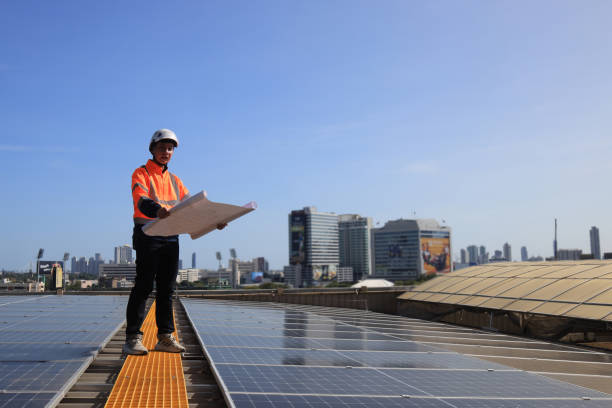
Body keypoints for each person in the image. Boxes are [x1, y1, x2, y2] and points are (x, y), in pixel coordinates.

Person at [124, 129, 225, 355]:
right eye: (162, 148)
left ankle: (165, 337)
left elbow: (193, 207)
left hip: (171, 236)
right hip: (148, 233)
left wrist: (214, 220)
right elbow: (140, 199)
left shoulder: (175, 180)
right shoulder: (141, 173)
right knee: (143, 286)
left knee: (167, 289)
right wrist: (157, 209)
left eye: (170, 149)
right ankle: (132, 338)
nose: (166, 152)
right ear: (152, 149)